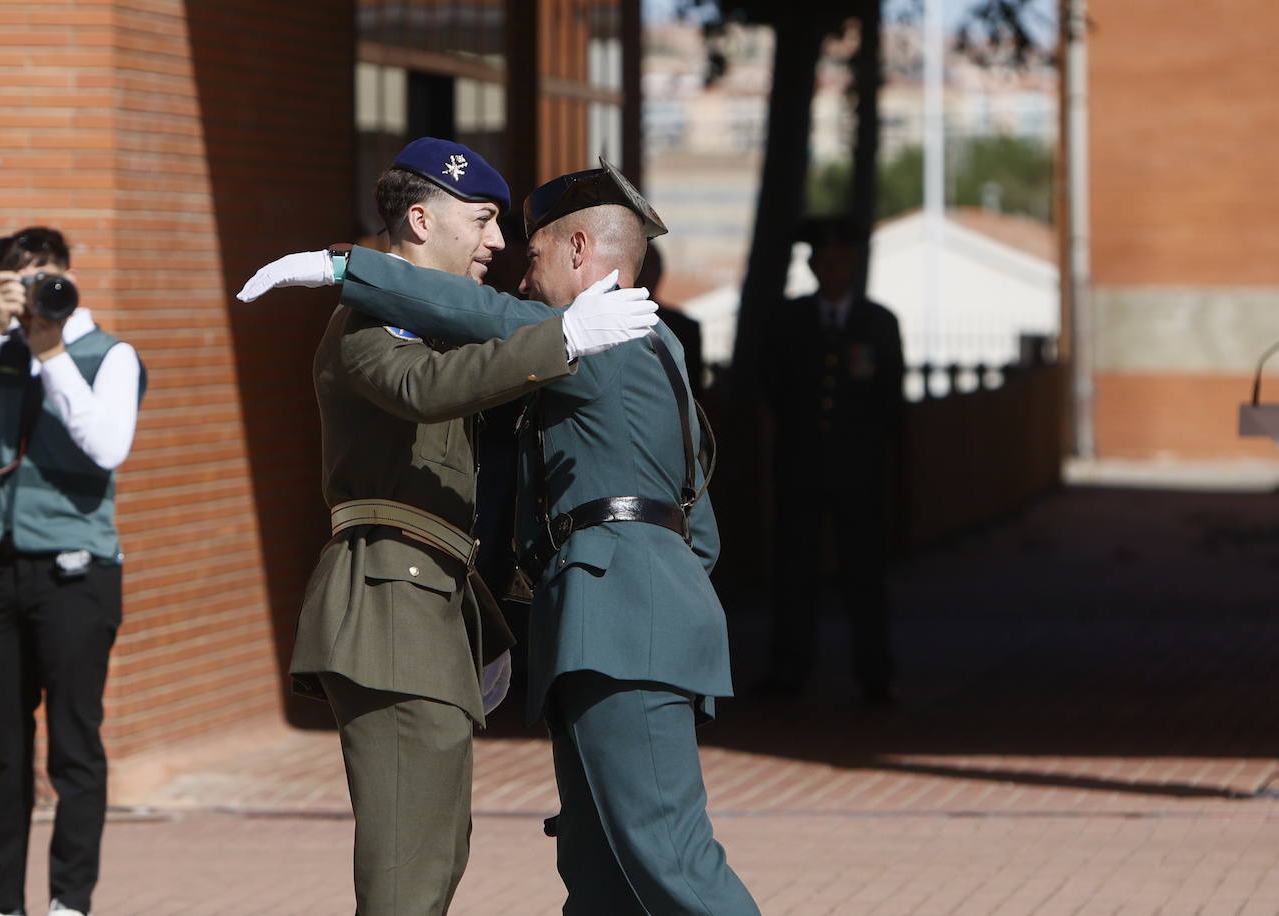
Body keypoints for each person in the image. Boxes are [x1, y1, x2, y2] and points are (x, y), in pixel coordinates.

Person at [244, 159, 759, 914]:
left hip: (617, 618)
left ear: (581, 251)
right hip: (619, 615)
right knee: (599, 868)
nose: (519, 271)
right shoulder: (659, 348)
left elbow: (477, 317)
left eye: (537, 252)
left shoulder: (597, 334)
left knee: (665, 854)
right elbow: (699, 524)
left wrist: (341, 266)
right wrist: (661, 597)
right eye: (489, 229)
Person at [0, 227, 146, 916]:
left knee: (73, 747)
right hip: (3, 571)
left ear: (69, 276)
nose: (37, 286)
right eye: (21, 275)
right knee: (3, 748)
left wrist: (51, 355)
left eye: (46, 273)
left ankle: (68, 901)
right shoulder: (2, 348)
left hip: (79, 576)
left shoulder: (110, 355)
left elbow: (107, 446)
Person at [761, 215, 905, 703]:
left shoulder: (879, 324)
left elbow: (891, 405)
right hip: (800, 469)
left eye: (843, 260)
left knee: (864, 574)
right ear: (813, 266)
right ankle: (789, 669)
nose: (834, 269)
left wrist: (893, 474)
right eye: (825, 260)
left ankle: (875, 673)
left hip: (859, 474)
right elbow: (774, 394)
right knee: (794, 573)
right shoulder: (789, 321)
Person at [638, 240, 705, 391]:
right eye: (642, 267)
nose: (646, 274)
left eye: (650, 267)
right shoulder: (612, 325)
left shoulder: (687, 329)